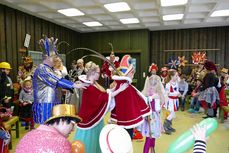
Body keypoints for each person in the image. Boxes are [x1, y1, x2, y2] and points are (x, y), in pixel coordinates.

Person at [74, 61, 128, 153]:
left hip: (94, 117)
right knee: (89, 143)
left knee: (96, 141)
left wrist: (117, 87)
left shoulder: (94, 84)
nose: (100, 75)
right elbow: (104, 97)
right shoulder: (89, 86)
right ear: (92, 73)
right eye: (98, 73)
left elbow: (105, 93)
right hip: (89, 118)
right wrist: (119, 90)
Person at [32, 36, 87, 124]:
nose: (56, 59)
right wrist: (74, 85)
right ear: (47, 58)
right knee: (46, 127)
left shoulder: (50, 69)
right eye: (54, 57)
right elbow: (56, 80)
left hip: (53, 102)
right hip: (45, 104)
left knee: (53, 125)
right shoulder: (42, 69)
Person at [111, 55, 151, 138]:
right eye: (131, 73)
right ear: (127, 74)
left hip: (122, 118)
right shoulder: (126, 87)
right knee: (127, 138)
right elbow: (138, 99)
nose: (133, 75)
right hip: (128, 119)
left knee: (123, 137)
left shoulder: (121, 85)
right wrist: (149, 99)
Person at [15, 104, 81, 153]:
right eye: (72, 124)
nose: (73, 130)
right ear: (62, 120)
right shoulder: (61, 142)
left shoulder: (29, 135)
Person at [139, 74, 165, 153]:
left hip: (155, 118)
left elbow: (158, 108)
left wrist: (157, 99)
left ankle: (152, 151)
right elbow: (142, 101)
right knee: (149, 138)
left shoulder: (157, 95)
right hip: (149, 118)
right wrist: (151, 98)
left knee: (153, 138)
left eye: (154, 86)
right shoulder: (146, 95)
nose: (151, 88)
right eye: (150, 86)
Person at [163, 69, 181, 135]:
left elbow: (177, 90)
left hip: (175, 101)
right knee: (170, 114)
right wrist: (175, 94)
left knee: (173, 114)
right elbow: (166, 94)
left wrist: (178, 93)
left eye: (177, 75)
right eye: (176, 75)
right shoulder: (168, 84)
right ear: (171, 76)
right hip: (170, 101)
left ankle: (169, 126)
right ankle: (165, 127)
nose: (177, 77)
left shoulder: (176, 83)